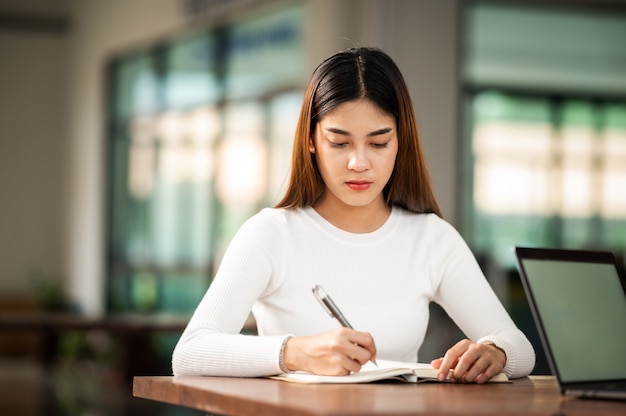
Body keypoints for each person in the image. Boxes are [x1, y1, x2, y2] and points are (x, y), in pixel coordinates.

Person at [172, 47, 535, 383]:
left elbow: (520, 348)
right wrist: (297, 352)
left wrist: (494, 352)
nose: (359, 162)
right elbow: (190, 354)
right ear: (311, 140)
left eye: (378, 143)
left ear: (400, 140)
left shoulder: (432, 239)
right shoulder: (271, 234)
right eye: (339, 142)